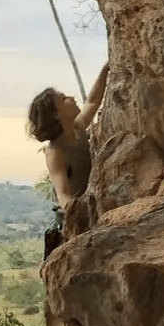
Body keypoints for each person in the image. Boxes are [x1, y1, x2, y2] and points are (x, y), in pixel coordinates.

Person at [28, 63, 109, 213]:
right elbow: (63, 194)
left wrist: (105, 71)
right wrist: (75, 213)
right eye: (63, 99)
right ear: (56, 115)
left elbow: (92, 102)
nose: (72, 98)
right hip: (77, 216)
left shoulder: (77, 127)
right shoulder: (55, 152)